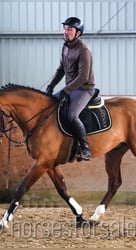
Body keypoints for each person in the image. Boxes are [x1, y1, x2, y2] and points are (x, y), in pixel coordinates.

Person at [46, 17, 95, 161]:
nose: (66, 32)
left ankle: (85, 149)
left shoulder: (83, 50)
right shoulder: (65, 46)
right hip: (71, 88)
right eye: (65, 29)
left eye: (70, 29)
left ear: (78, 33)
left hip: (84, 89)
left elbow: (83, 76)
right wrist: (51, 86)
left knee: (72, 115)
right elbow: (61, 70)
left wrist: (65, 90)